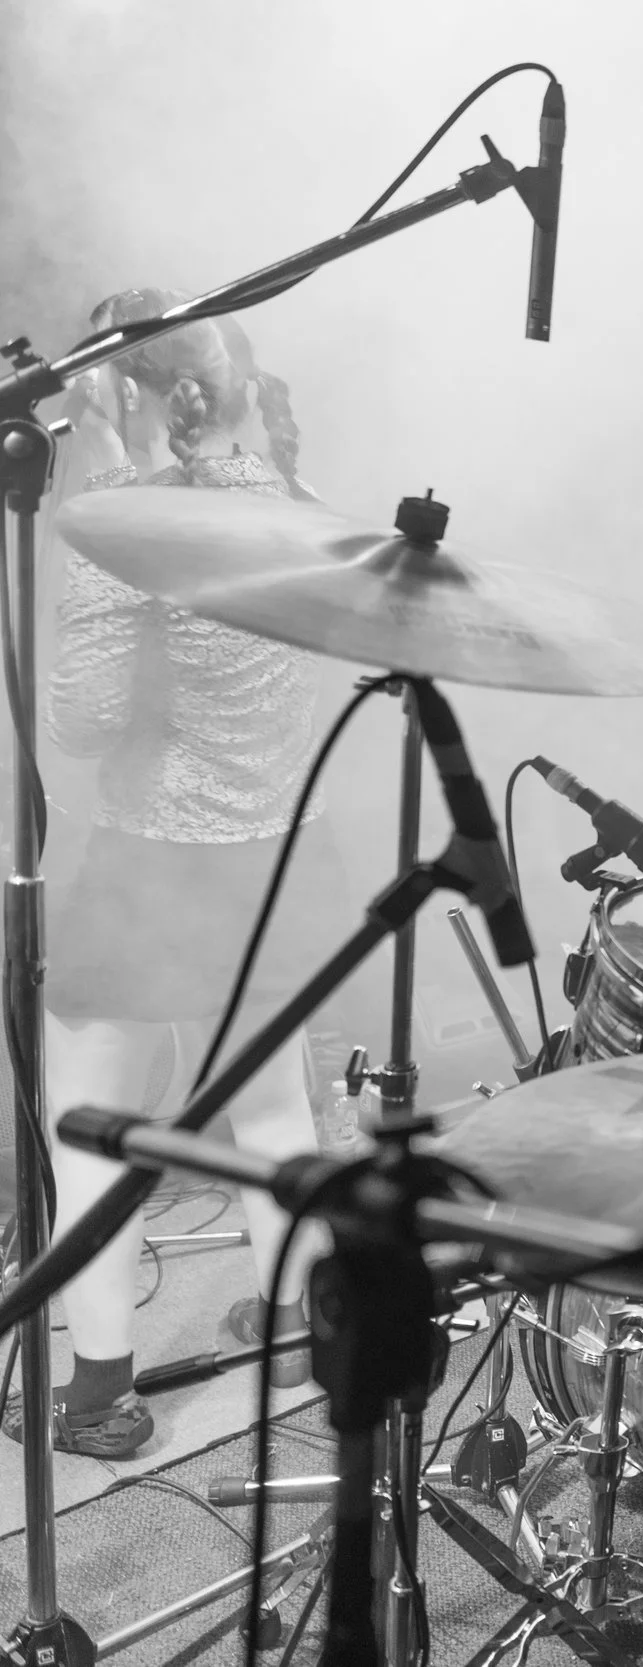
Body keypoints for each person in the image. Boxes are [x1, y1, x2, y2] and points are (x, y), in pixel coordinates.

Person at [7, 293, 333, 1459]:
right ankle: (295, 1332)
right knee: (272, 1099)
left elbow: (83, 727)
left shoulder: (127, 528)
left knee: (89, 1123)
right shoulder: (301, 506)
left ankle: (100, 1392)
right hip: (283, 856)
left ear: (129, 392)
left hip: (157, 860)